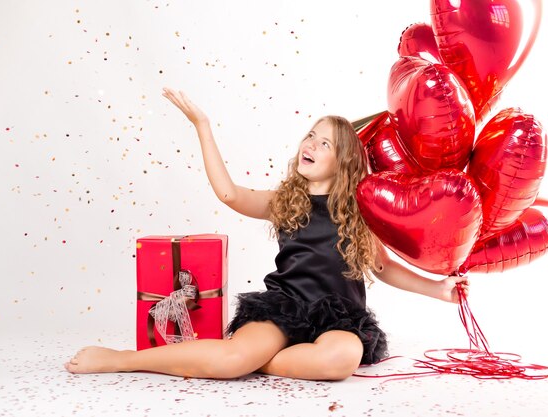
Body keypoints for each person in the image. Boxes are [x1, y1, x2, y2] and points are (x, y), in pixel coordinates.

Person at [64, 88, 469, 381]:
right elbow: (229, 194)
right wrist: (203, 126)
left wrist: (439, 289)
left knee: (341, 361)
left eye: (324, 142)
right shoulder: (285, 200)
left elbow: (384, 268)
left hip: (338, 317)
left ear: (343, 162)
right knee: (230, 359)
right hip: (286, 306)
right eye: (311, 134)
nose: (310, 143)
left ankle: (264, 362)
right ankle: (123, 359)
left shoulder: (361, 212)